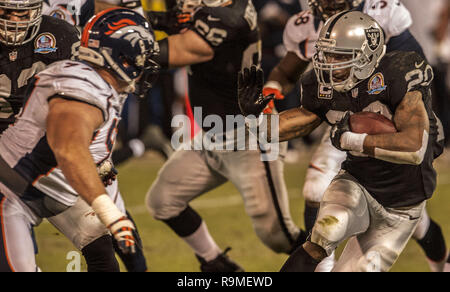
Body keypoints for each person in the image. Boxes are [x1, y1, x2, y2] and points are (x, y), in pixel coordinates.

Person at [238, 11, 444, 272]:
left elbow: (414, 147)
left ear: (367, 56)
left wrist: (350, 138)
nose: (330, 63)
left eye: (340, 56)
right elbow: (294, 123)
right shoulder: (321, 86)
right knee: (322, 235)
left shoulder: (398, 74)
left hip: (403, 202)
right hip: (357, 182)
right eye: (327, 54)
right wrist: (255, 119)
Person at [144, 0, 307, 272]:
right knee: (163, 201)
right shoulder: (219, 9)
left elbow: (179, 50)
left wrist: (124, 44)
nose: (182, 4)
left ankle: (330, 266)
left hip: (249, 137)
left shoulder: (228, 16)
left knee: (278, 237)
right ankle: (217, 264)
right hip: (211, 136)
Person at [0, 7, 160, 272]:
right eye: (138, 60)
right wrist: (107, 209)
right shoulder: (84, 89)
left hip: (50, 170)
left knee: (106, 247)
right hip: (18, 172)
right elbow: (69, 146)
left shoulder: (67, 45)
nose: (15, 21)